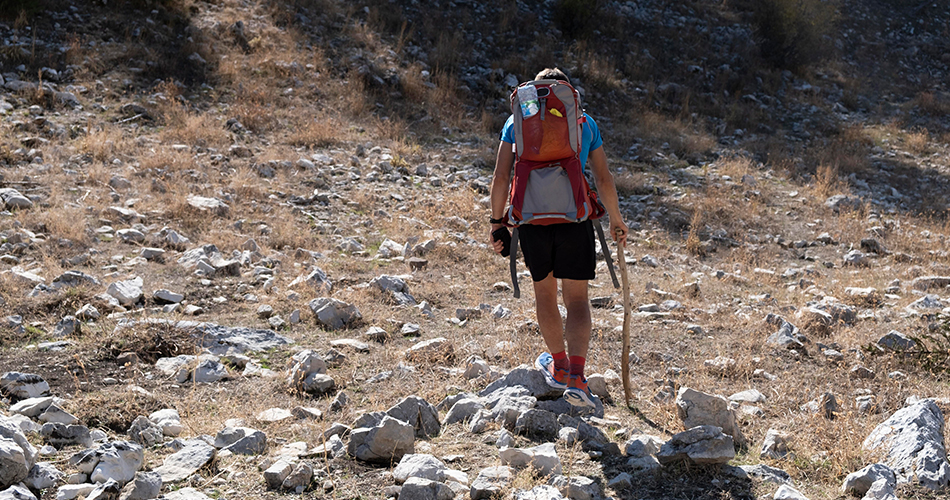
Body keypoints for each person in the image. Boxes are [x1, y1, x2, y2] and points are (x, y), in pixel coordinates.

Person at [488, 68, 628, 407]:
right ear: (566, 93)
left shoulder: (516, 123)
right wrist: (616, 220)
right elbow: (604, 179)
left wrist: (496, 223)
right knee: (577, 300)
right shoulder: (584, 122)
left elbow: (501, 175)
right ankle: (578, 378)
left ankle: (560, 366)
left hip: (532, 222)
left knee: (545, 296)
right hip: (574, 219)